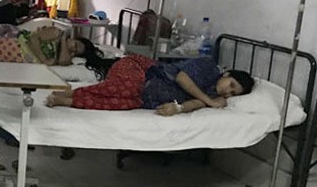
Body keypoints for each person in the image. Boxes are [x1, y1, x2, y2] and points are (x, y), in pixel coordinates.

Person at [45, 53, 254, 115]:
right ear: (226, 73)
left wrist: (179, 108)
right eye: (232, 84)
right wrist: (209, 99)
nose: (229, 92)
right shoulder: (208, 66)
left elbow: (199, 103)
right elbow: (182, 78)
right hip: (143, 71)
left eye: (234, 93)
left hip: (148, 97)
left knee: (121, 103)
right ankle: (69, 93)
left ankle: (66, 100)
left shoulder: (212, 95)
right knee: (128, 87)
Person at [0, 24, 91, 66]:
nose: (73, 49)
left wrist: (66, 46)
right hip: (9, 37)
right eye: (76, 45)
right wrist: (43, 60)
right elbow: (33, 39)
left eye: (75, 52)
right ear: (74, 38)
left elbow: (64, 61)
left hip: (5, 52)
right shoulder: (56, 33)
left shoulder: (65, 54)